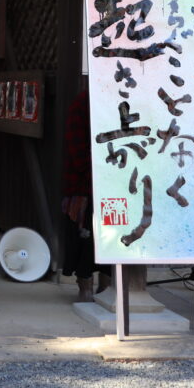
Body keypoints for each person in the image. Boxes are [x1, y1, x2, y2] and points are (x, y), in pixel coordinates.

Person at [61, 88, 110, 302]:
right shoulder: (83, 99)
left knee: (111, 233)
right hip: (84, 181)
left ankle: (107, 287)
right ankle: (85, 287)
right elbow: (77, 147)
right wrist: (93, 166)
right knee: (85, 236)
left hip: (115, 178)